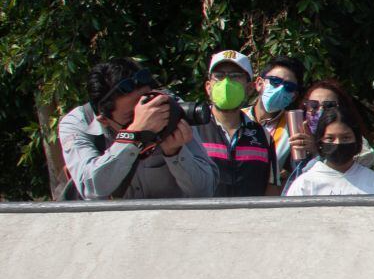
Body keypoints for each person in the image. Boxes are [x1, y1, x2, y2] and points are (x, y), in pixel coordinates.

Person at [57, 58, 216, 200]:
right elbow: (92, 188)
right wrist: (133, 135)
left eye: (146, 106)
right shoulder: (79, 123)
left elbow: (205, 191)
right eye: (131, 116)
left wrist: (175, 153)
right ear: (104, 120)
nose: (147, 118)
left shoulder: (168, 108)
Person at [192, 50, 274, 197]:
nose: (226, 82)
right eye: (219, 76)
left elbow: (272, 188)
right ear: (208, 87)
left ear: (249, 88)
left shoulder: (263, 136)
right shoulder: (192, 131)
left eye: (235, 76)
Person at [283, 98, 374, 196]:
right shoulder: (304, 184)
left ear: (357, 141)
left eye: (345, 138)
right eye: (330, 138)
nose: (338, 143)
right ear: (320, 142)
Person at [247, 56, 309, 189]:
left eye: (289, 87)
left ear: (294, 96)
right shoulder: (238, 117)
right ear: (259, 84)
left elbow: (300, 173)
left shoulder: (296, 127)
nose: (280, 90)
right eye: (275, 81)